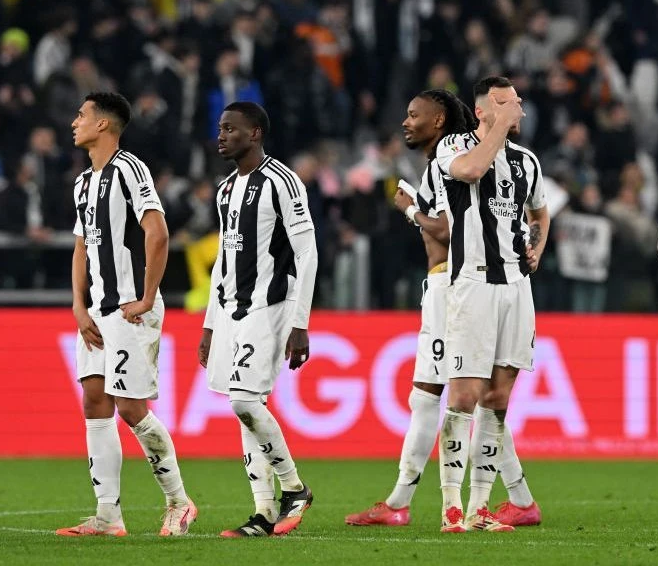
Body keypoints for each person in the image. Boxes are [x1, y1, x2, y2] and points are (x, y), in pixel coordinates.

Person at [345, 89, 541, 528]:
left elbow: (448, 234)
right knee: (475, 398)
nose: (406, 122)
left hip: (457, 288)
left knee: (441, 396)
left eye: (414, 115)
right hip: (456, 287)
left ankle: (405, 503)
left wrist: (411, 210)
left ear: (438, 121)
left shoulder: (453, 160)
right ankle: (519, 498)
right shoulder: (446, 162)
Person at [57, 92, 197, 537]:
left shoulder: (129, 170)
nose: (74, 122)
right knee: (94, 402)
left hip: (129, 309)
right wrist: (79, 306)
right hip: (96, 311)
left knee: (131, 407)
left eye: (81, 115)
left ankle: (179, 502)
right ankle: (107, 516)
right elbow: (81, 249)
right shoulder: (83, 183)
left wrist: (146, 296)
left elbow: (157, 232)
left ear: (103, 125)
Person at [433, 76, 550, 533]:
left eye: (518, 102)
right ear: (482, 111)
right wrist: (499, 128)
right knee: (463, 397)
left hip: (516, 289)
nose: (517, 109)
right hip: (473, 285)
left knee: (498, 400)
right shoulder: (454, 147)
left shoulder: (527, 162)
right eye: (505, 103)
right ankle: (450, 508)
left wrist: (537, 244)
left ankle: (480, 508)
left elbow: (539, 209)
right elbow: (469, 172)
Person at [197, 101, 318, 537]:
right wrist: (210, 325)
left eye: (231, 128)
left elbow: (307, 252)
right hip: (229, 312)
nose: (222, 135)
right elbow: (222, 263)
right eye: (220, 128)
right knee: (246, 408)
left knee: (244, 401)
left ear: (256, 133)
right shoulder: (226, 189)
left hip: (268, 308)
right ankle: (264, 514)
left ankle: (294, 488)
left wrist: (300, 322)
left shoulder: (282, 182)